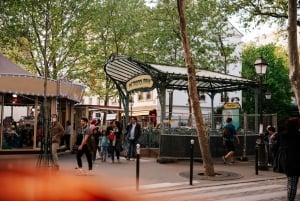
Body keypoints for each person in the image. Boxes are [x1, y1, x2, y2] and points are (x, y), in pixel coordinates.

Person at [276, 117, 300, 201]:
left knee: (291, 183)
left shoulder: (282, 134)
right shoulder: (297, 135)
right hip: (296, 161)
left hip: (286, 161)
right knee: (293, 184)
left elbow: (278, 146)